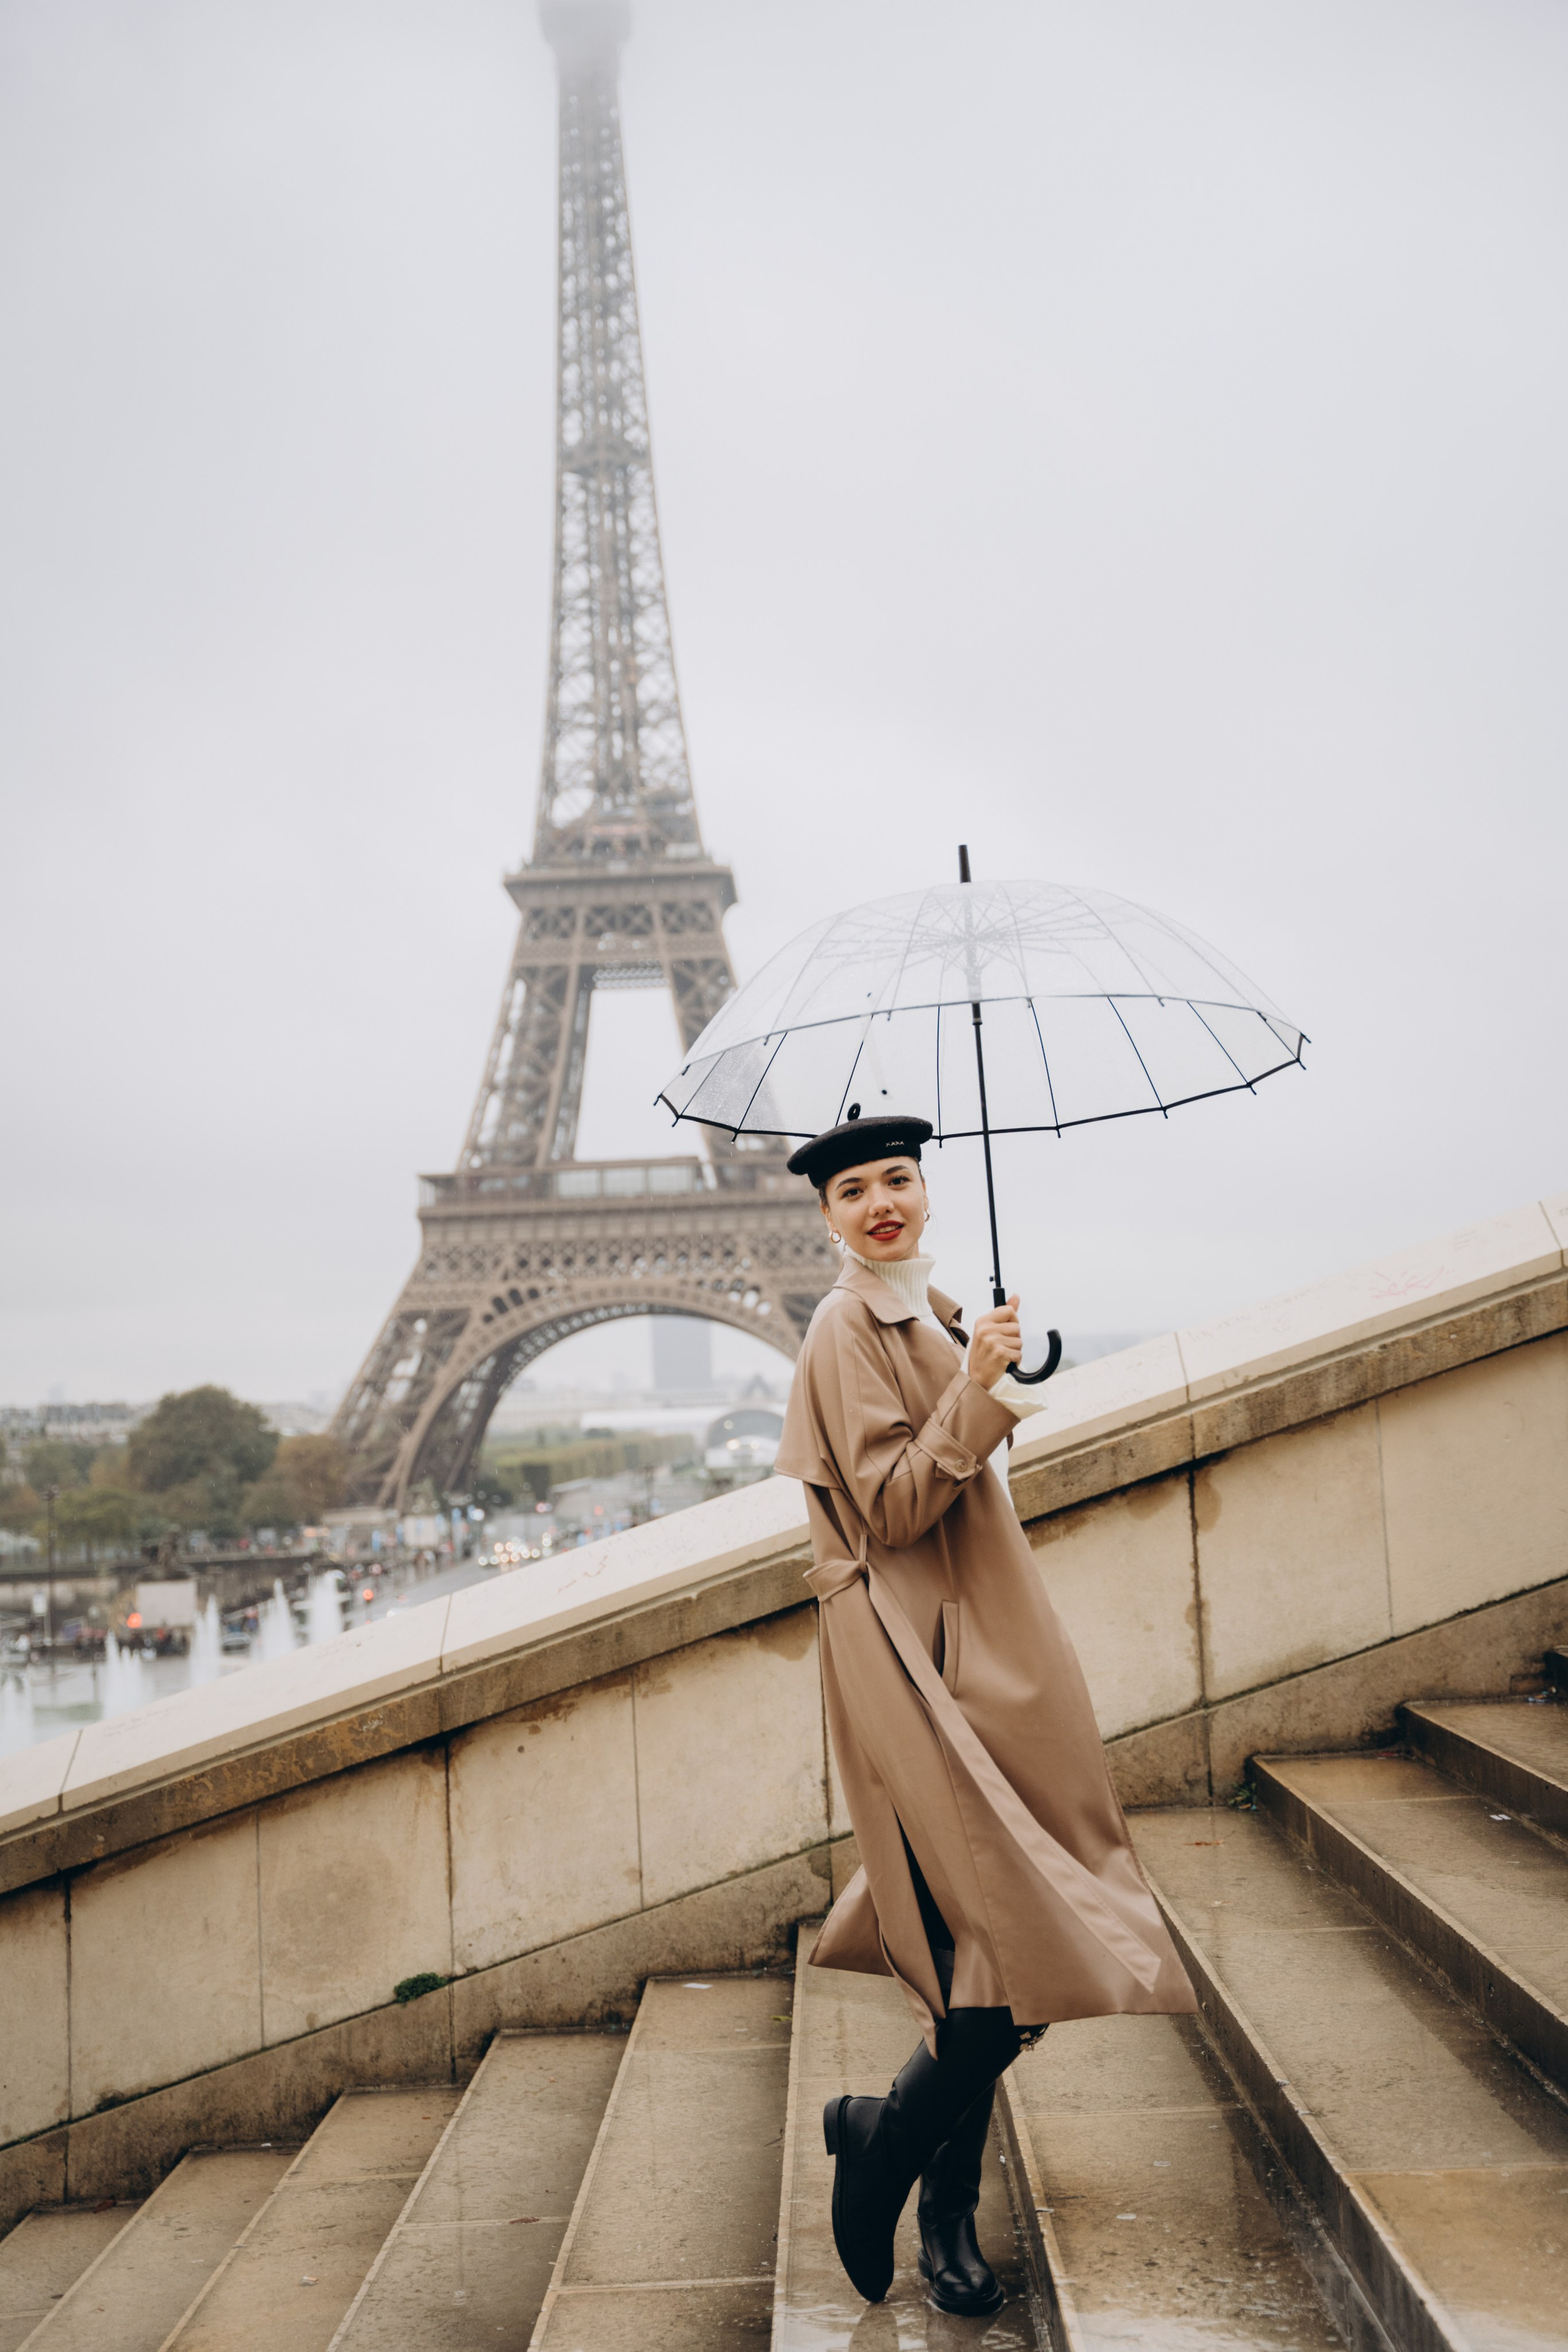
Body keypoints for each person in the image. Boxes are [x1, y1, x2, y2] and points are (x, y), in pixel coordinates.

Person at [775, 1112, 1196, 2318]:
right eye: (852, 1190)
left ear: (925, 1190)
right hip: (917, 1669)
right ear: (824, 1216)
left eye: (897, 1180)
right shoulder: (843, 1327)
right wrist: (971, 1387)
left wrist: (983, 1360)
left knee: (1002, 1954)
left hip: (984, 1663)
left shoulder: (928, 1304)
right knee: (987, 1956)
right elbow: (896, 1509)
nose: (879, 1203)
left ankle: (908, 2162)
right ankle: (895, 2160)